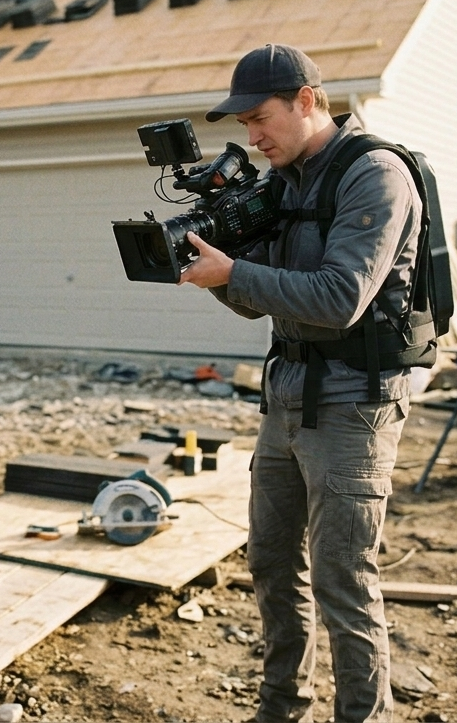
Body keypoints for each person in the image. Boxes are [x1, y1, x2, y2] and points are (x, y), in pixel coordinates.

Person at [179, 44, 426, 723]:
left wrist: (233, 273)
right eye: (244, 126)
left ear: (306, 100)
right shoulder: (282, 183)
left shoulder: (373, 174)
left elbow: (340, 295)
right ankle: (280, 709)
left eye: (259, 119)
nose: (251, 139)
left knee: (342, 579)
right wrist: (214, 270)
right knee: (269, 562)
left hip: (354, 402)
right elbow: (259, 300)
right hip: (285, 388)